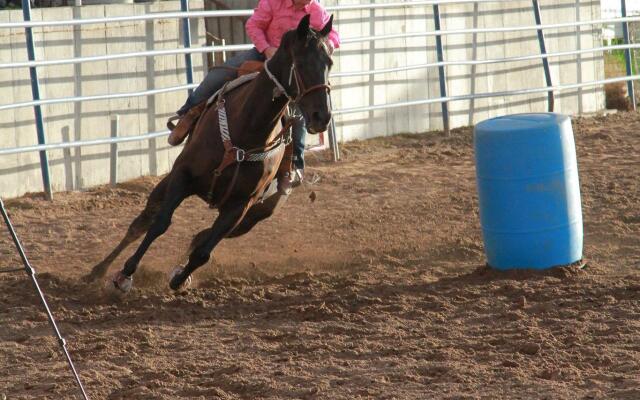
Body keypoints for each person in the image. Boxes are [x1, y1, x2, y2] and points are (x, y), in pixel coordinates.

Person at [168, 0, 340, 189]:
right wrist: (267, 49)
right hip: (263, 54)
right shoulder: (273, 2)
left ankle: (293, 165)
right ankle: (188, 115)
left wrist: (328, 44)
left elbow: (333, 34)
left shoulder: (316, 10)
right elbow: (254, 25)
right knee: (217, 76)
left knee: (297, 112)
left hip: (294, 67)